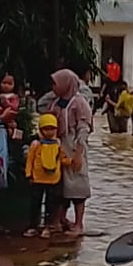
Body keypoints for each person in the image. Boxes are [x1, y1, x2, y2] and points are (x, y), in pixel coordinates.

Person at [50, 70, 94, 236]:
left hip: (74, 146)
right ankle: (61, 219)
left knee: (77, 186)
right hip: (58, 147)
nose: (53, 87)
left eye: (56, 83)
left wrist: (78, 153)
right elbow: (42, 107)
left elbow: (84, 128)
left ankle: (78, 223)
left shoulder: (79, 103)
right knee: (61, 185)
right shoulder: (55, 102)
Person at [23, 113, 67, 238]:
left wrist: (71, 162)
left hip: (53, 179)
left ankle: (47, 227)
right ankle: (33, 226)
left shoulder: (58, 144)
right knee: (35, 203)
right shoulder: (36, 144)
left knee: (51, 205)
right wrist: (28, 175)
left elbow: (61, 159)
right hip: (37, 179)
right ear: (41, 129)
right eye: (46, 129)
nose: (49, 132)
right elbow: (30, 160)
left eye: (52, 129)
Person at [0, 73, 21, 140]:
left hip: (9, 118)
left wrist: (6, 102)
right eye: (4, 83)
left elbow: (14, 107)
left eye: (9, 84)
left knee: (9, 131)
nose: (6, 86)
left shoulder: (14, 96)